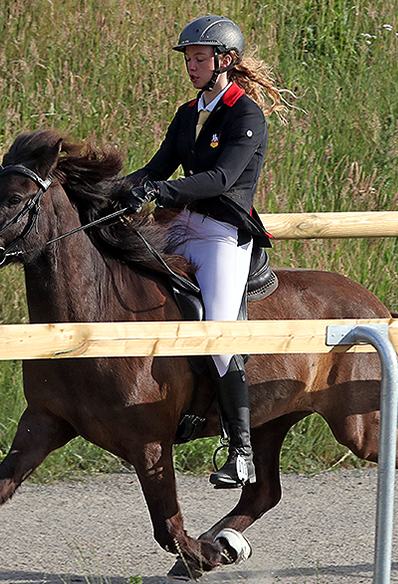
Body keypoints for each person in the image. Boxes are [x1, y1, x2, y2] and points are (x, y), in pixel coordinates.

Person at [124, 15, 284, 488]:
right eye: (188, 59)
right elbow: (155, 167)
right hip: (179, 226)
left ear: (225, 61)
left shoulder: (246, 115)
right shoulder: (186, 113)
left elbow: (220, 180)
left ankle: (241, 452)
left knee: (219, 334)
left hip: (221, 233)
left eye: (199, 58)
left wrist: (162, 190)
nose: (191, 66)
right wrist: (111, 193)